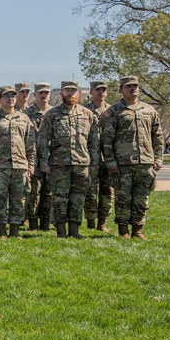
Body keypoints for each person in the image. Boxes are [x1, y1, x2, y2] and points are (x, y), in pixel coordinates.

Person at [100, 76, 164, 239]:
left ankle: (138, 230)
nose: (133, 88)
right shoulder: (114, 111)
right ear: (121, 90)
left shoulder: (149, 110)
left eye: (135, 85)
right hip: (123, 163)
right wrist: (110, 161)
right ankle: (123, 230)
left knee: (142, 198)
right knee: (123, 198)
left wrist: (158, 159)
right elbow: (106, 140)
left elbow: (157, 137)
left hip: (145, 162)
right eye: (128, 86)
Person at [37, 81, 99, 238]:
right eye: (67, 91)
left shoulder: (87, 114)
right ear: (61, 93)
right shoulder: (52, 114)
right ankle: (60, 231)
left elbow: (94, 141)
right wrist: (44, 162)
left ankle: (74, 230)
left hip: (81, 163)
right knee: (60, 198)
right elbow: (43, 140)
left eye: (73, 91)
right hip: (59, 164)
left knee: (78, 198)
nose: (70, 94)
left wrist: (94, 162)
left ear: (78, 93)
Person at [0, 86, 36, 238]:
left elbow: (30, 145)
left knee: (18, 199)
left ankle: (15, 231)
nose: (10, 98)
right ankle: (1, 231)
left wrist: (31, 165)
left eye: (13, 95)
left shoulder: (24, 119)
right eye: (6, 96)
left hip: (20, 166)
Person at [83, 80, 114, 231]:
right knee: (90, 191)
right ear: (91, 92)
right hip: (90, 157)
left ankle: (102, 222)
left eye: (103, 90)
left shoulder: (113, 110)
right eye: (97, 90)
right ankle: (90, 221)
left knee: (107, 191)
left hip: (108, 158)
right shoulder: (84, 110)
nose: (101, 92)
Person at [24, 83, 53, 231]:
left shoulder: (54, 112)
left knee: (49, 192)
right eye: (41, 93)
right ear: (35, 95)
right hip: (33, 158)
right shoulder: (26, 114)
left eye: (46, 92)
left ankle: (46, 224)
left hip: (51, 158)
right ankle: (33, 223)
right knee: (33, 192)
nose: (44, 95)